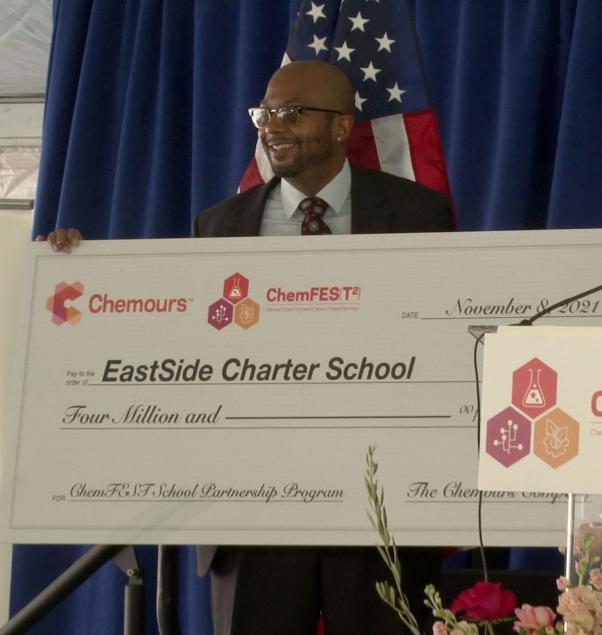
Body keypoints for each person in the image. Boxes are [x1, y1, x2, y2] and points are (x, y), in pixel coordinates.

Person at [42, 59, 453, 635]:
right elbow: (173, 343)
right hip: (251, 511)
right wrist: (73, 266)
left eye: (290, 113)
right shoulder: (218, 224)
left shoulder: (418, 214)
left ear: (341, 127)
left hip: (375, 509)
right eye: (264, 113)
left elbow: (445, 342)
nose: (271, 127)